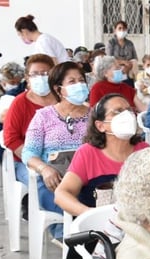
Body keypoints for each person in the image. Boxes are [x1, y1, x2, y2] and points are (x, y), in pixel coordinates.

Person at [55, 93, 149, 259]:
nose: (126, 115)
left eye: (129, 110)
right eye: (117, 112)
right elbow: (62, 194)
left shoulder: (144, 151)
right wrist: (90, 215)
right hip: (102, 242)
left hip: (139, 239)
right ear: (100, 125)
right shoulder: (88, 154)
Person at [22, 61, 90, 228]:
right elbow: (29, 152)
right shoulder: (44, 116)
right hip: (55, 180)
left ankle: (81, 234)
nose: (79, 85)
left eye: (81, 80)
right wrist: (44, 169)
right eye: (72, 82)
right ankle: (73, 235)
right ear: (58, 89)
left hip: (88, 180)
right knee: (73, 212)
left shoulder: (95, 115)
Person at [4, 54, 57, 186]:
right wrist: (38, 163)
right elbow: (11, 139)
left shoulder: (63, 100)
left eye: (45, 74)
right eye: (35, 74)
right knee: (44, 183)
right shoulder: (20, 103)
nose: (41, 78)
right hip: (26, 162)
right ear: (27, 78)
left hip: (60, 160)